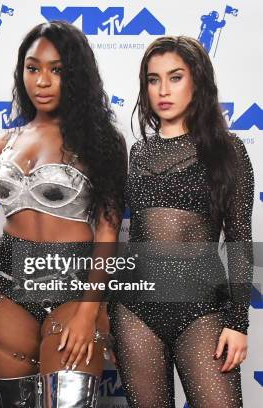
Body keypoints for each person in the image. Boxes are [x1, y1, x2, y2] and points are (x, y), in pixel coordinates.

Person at [0, 21, 127, 407]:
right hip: (5, 289)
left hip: (74, 291)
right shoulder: (5, 142)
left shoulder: (102, 143)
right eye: (33, 68)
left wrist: (89, 310)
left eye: (56, 70)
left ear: (75, 76)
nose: (42, 81)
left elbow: (108, 234)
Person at [109, 36, 253, 407]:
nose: (163, 90)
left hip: (202, 309)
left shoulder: (228, 150)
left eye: (175, 77)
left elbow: (239, 241)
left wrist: (238, 322)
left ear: (198, 81)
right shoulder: (139, 152)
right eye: (153, 80)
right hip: (134, 311)